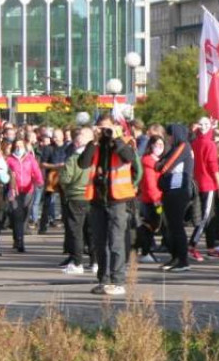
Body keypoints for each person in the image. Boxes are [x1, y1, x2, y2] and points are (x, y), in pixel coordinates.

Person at [77, 115, 137, 295]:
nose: (105, 132)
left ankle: (118, 280)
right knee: (99, 242)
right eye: (101, 128)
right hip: (97, 199)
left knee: (116, 241)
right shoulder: (94, 145)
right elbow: (83, 163)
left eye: (107, 128)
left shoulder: (124, 142)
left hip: (117, 200)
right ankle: (104, 280)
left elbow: (129, 158)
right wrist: (93, 142)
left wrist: (116, 138)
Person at [156, 123, 194, 272]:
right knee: (170, 227)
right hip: (170, 190)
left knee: (177, 227)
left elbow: (164, 167)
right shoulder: (174, 148)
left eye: (170, 135)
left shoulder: (183, 147)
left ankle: (183, 260)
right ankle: (175, 257)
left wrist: (159, 165)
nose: (168, 138)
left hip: (179, 191)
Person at [58, 127, 95, 274]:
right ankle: (95, 262)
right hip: (92, 197)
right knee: (92, 232)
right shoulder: (96, 158)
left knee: (76, 232)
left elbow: (65, 179)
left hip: (75, 198)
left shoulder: (73, 159)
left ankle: (78, 262)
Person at [190, 117, 219, 260]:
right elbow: (213, 167)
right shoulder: (210, 144)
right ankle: (192, 245)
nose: (203, 127)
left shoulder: (194, 142)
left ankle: (210, 247)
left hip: (197, 182)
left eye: (206, 124)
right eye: (202, 124)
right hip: (207, 183)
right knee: (205, 216)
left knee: (209, 216)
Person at [4, 136, 43, 253]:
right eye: (16, 146)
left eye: (21, 145)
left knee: (24, 215)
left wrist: (39, 181)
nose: (18, 147)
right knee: (17, 214)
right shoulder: (9, 159)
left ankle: (18, 237)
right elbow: (4, 174)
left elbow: (36, 171)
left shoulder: (30, 158)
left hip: (28, 190)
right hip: (14, 190)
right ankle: (20, 241)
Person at [135, 134, 165, 263]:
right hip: (151, 201)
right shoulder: (149, 162)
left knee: (151, 226)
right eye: (156, 145)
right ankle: (145, 251)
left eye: (161, 145)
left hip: (153, 199)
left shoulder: (156, 161)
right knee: (150, 226)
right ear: (150, 146)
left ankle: (144, 251)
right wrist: (157, 200)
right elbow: (150, 184)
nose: (159, 147)